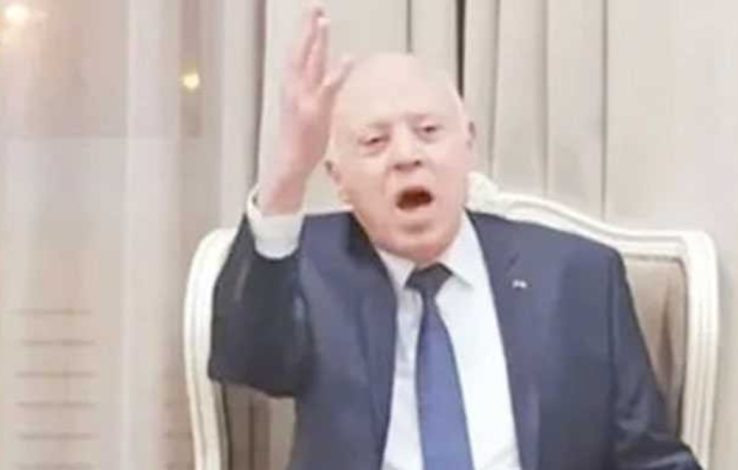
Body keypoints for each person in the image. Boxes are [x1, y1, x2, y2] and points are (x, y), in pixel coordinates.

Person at [208, 4, 702, 470]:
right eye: (375, 141)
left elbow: (650, 459)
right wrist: (287, 176)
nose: (407, 156)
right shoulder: (309, 265)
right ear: (338, 178)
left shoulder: (578, 277)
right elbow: (246, 359)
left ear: (468, 144)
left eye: (428, 131)